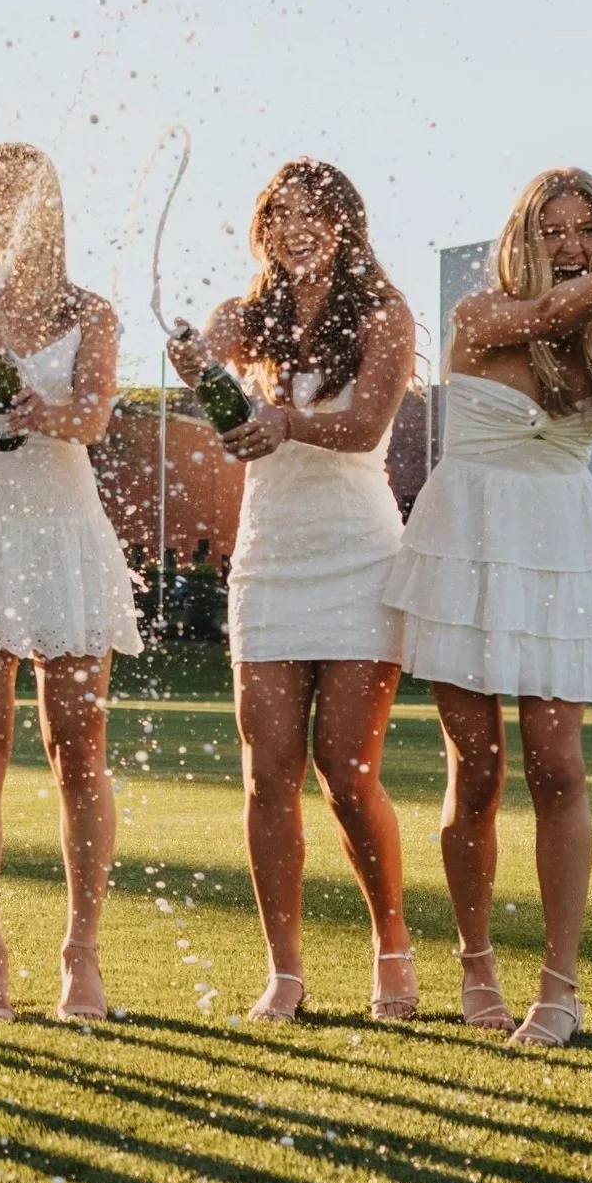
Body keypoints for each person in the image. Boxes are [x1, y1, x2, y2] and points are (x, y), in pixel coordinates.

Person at [382, 166, 592, 1047]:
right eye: (553, 230)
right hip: (468, 539)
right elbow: (548, 317)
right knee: (475, 770)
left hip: (559, 544)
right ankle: (476, 965)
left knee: (557, 764)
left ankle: (560, 988)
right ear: (522, 237)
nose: (571, 246)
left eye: (586, 230)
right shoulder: (481, 315)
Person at [167, 159, 418, 1025]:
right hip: (269, 558)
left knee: (348, 772)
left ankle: (392, 947)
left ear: (345, 223)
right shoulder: (252, 312)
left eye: (314, 213)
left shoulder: (385, 313)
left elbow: (366, 426)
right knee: (266, 773)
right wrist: (195, 360)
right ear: (264, 229)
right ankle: (286, 971)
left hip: (358, 555)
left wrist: (284, 421)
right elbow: (209, 354)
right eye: (281, 215)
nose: (297, 227)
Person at [0, 142, 143, 1021]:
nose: (15, 210)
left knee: (76, 749)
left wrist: (60, 414)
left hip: (61, 535)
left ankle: (81, 955)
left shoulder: (93, 310)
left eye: (29, 196)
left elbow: (97, 411)